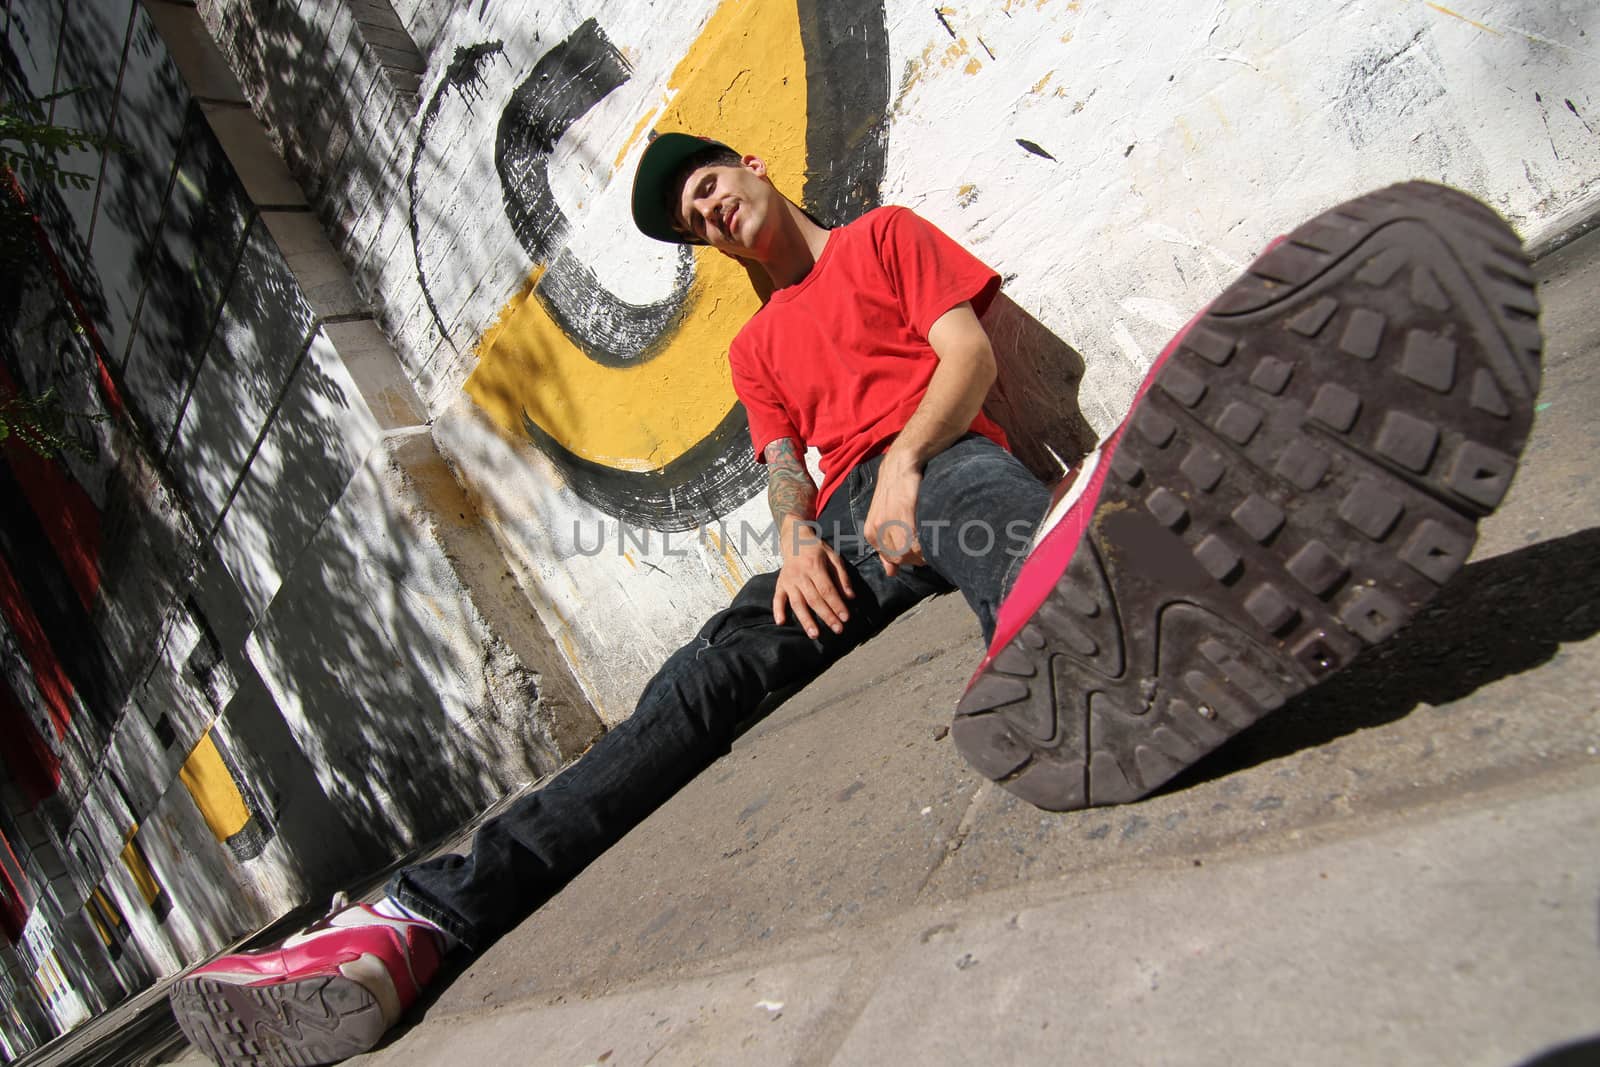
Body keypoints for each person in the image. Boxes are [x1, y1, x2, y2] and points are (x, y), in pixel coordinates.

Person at [170, 133, 1543, 1066]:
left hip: (945, 465)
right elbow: (779, 471)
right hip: (844, 527)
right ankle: (420, 924)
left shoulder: (883, 239)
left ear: (751, 168)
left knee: (973, 498)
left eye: (710, 184)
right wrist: (802, 542)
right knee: (699, 685)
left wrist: (899, 463)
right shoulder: (759, 342)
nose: (711, 212)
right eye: (693, 221)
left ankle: (1090, 631)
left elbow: (966, 360)